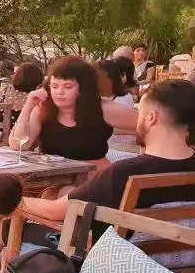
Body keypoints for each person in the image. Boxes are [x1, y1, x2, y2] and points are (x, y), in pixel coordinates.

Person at [19, 79, 195, 240]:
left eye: (140, 112)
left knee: (18, 231)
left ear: (151, 118)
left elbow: (53, 212)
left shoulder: (124, 173)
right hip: (182, 262)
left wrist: (16, 200)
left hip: (120, 262)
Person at [9, 56, 137, 163]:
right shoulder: (43, 109)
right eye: (54, 86)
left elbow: (147, 123)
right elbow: (18, 145)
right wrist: (28, 107)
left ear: (83, 88)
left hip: (92, 176)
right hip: (53, 176)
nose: (60, 92)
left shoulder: (102, 108)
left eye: (68, 86)